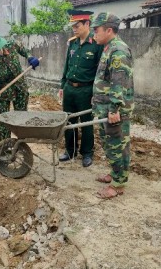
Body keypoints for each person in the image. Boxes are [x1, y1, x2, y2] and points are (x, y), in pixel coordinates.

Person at [91, 12, 134, 199]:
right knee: (109, 144)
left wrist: (115, 108)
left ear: (109, 30)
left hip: (114, 110)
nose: (94, 33)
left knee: (118, 144)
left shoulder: (118, 51)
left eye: (96, 29)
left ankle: (118, 184)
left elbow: (119, 82)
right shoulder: (108, 48)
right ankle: (114, 173)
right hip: (105, 108)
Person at [59, 10, 104, 167]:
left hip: (86, 90)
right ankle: (70, 151)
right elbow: (67, 65)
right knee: (69, 121)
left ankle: (87, 153)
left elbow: (100, 71)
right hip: (70, 88)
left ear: (87, 24)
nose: (74, 29)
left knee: (86, 123)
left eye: (77, 26)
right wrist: (63, 85)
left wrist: (95, 92)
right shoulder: (73, 42)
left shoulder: (97, 45)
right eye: (73, 26)